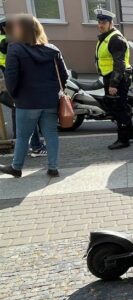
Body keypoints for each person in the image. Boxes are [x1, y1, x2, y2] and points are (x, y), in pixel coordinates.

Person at [0, 14, 67, 178]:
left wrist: (16, 97)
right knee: (51, 134)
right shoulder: (53, 50)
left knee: (23, 136)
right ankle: (53, 168)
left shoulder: (15, 48)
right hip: (50, 101)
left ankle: (16, 168)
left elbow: (11, 78)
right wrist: (56, 93)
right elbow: (64, 76)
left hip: (26, 101)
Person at [94, 9, 133, 150]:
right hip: (111, 76)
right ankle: (131, 133)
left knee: (118, 109)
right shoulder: (106, 36)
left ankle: (123, 139)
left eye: (104, 22)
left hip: (117, 78)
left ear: (111, 23)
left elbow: (119, 63)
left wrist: (113, 84)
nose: (101, 25)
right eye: (99, 22)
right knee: (120, 107)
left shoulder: (115, 39)